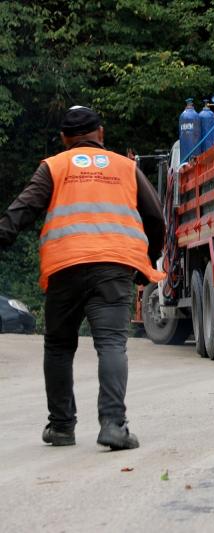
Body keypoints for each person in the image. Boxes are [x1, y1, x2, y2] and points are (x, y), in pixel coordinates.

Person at [0, 106, 166, 450]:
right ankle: (113, 426)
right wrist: (144, 262)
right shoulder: (125, 167)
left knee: (59, 346)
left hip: (66, 267)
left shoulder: (54, 167)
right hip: (114, 267)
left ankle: (61, 427)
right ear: (100, 133)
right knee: (111, 345)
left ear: (64, 139)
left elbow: (22, 210)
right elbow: (155, 218)